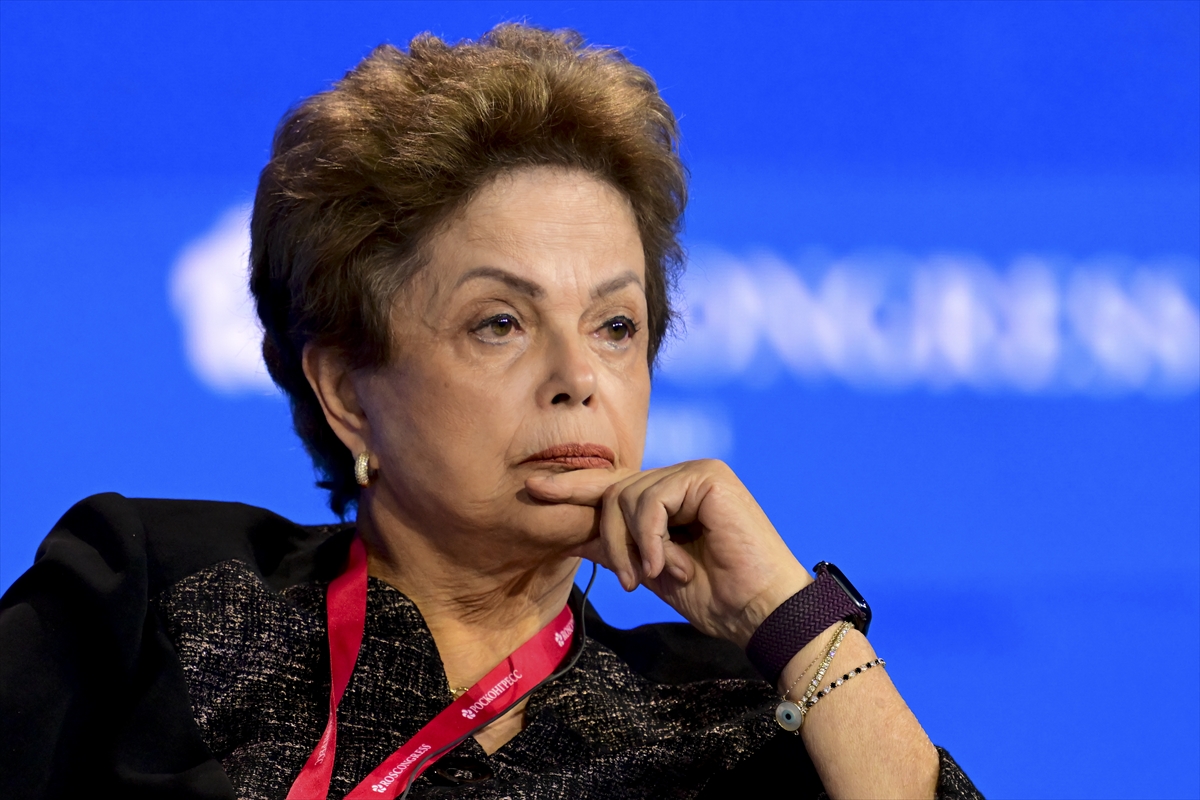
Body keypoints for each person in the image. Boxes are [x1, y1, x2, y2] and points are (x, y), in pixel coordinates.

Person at [0, 24, 982, 800]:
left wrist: (790, 618)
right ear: (347, 390)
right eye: (502, 323)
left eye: (616, 326)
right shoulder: (160, 598)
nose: (577, 376)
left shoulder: (724, 718)